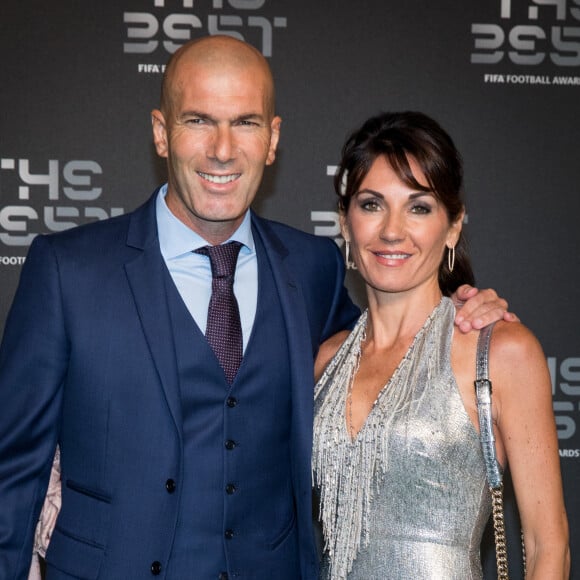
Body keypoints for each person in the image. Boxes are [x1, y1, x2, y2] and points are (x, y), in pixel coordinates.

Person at [0, 36, 511, 579]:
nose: (222, 149)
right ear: (160, 133)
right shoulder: (68, 271)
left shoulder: (312, 268)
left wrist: (460, 306)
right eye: (198, 120)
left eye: (245, 123)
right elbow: (11, 474)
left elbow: (390, 350)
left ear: (272, 139)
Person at [312, 111, 570, 579]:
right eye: (371, 205)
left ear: (452, 227)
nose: (392, 230)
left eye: (419, 207)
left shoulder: (501, 350)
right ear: (345, 225)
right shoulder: (324, 360)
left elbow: (547, 548)